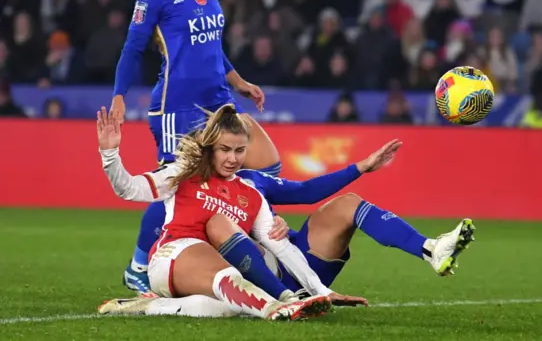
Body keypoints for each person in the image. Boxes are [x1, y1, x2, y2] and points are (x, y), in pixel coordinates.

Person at [99, 105, 475, 319]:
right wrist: (110, 153)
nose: (233, 158)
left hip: (251, 270)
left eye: (239, 151)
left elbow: (300, 204)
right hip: (180, 258)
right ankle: (281, 302)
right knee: (222, 233)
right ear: (211, 147)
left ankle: (431, 249)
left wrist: (322, 290)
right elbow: (129, 188)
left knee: (222, 308)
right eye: (226, 150)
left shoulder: (252, 187)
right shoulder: (184, 173)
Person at [110, 0, 282, 292]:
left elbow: (213, 48)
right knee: (177, 187)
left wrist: (239, 82)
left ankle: (252, 245)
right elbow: (132, 48)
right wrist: (119, 95)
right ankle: (139, 266)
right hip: (178, 107)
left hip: (218, 104)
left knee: (260, 167)